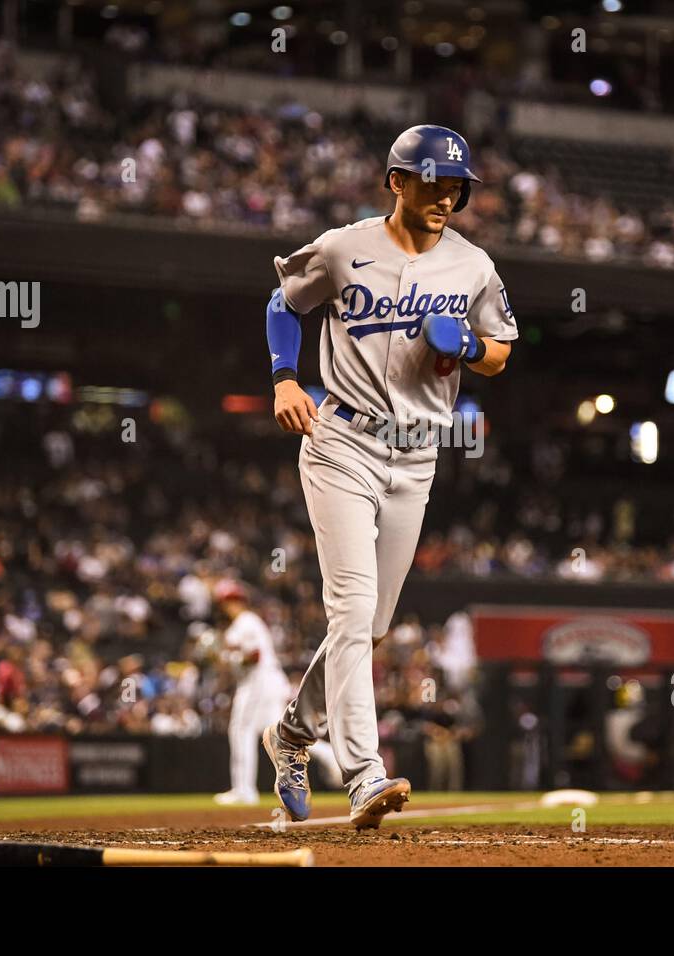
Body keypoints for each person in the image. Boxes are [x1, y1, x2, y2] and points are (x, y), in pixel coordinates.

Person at [261, 124, 518, 828]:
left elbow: (500, 350)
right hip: (341, 439)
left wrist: (467, 344)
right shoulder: (346, 246)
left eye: (455, 186)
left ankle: (290, 735)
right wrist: (285, 378)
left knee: (372, 627)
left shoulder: (472, 265)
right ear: (397, 182)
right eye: (432, 182)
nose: (445, 196)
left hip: (418, 452)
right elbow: (284, 302)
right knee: (351, 608)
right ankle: (363, 774)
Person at [211, 579, 291, 806]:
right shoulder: (244, 623)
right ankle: (331, 760)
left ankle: (244, 790)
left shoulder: (245, 622)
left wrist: (228, 657)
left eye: (231, 600)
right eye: (227, 601)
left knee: (241, 729)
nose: (229, 605)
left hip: (259, 682)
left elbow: (254, 656)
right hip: (269, 682)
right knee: (281, 737)